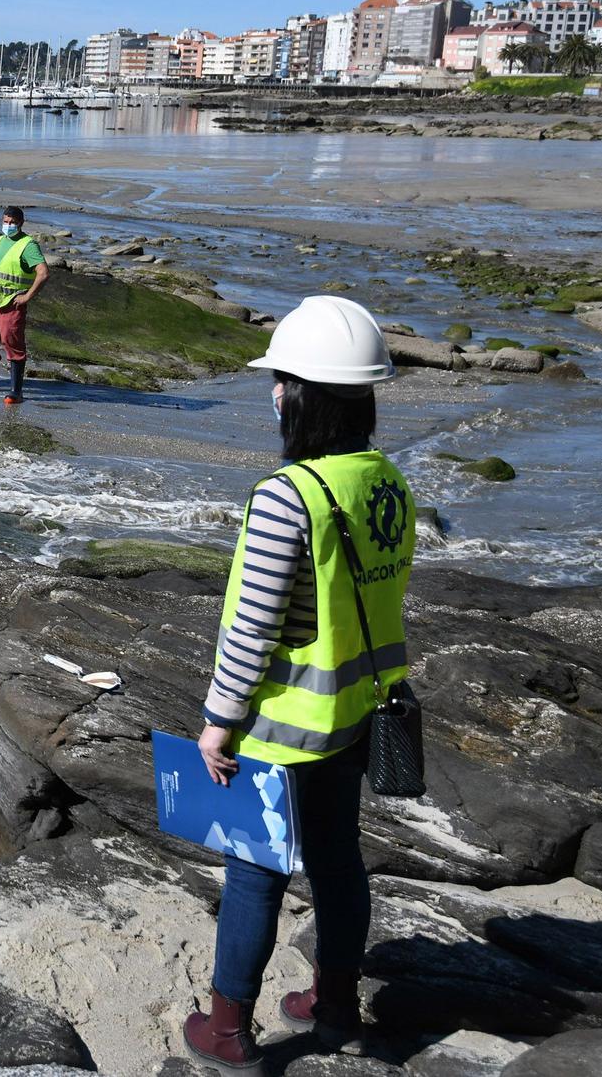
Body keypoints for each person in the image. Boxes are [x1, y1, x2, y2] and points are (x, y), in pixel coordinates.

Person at [183, 295, 416, 1073]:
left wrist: (218, 721)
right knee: (338, 858)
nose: (273, 392)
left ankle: (227, 1033)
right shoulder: (383, 480)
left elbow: (251, 629)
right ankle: (336, 1006)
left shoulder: (288, 496)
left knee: (254, 875)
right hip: (355, 713)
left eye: (280, 379)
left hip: (283, 723)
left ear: (301, 395)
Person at [0, 205, 49, 403]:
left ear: (21, 223)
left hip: (11, 304)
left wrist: (27, 297)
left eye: (12, 223)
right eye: (6, 222)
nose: (8, 225)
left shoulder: (28, 245)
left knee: (12, 343)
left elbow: (43, 273)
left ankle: (16, 391)